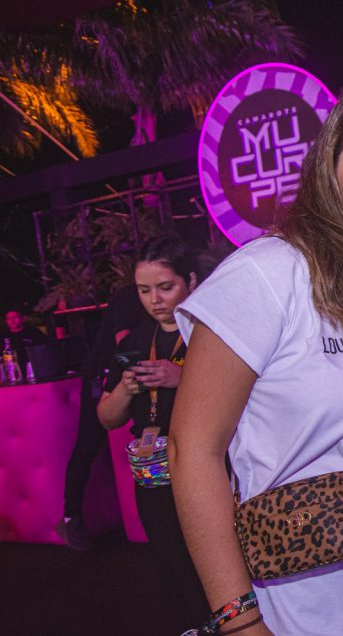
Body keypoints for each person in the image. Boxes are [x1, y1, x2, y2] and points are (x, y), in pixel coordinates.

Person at [169, 60, 343, 636]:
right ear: (331, 168)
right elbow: (191, 452)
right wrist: (239, 620)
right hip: (308, 616)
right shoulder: (268, 277)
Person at [95, 237, 208, 631]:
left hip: (209, 468)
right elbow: (107, 418)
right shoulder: (134, 343)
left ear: (191, 281)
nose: (154, 300)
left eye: (166, 287)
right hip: (154, 474)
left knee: (219, 558)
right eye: (144, 290)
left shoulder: (209, 333)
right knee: (171, 562)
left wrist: (182, 377)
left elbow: (251, 397)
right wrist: (126, 389)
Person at [56, 284, 145, 551]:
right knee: (87, 446)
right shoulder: (129, 298)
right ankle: (70, 518)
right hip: (103, 377)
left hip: (125, 376)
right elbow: (125, 345)